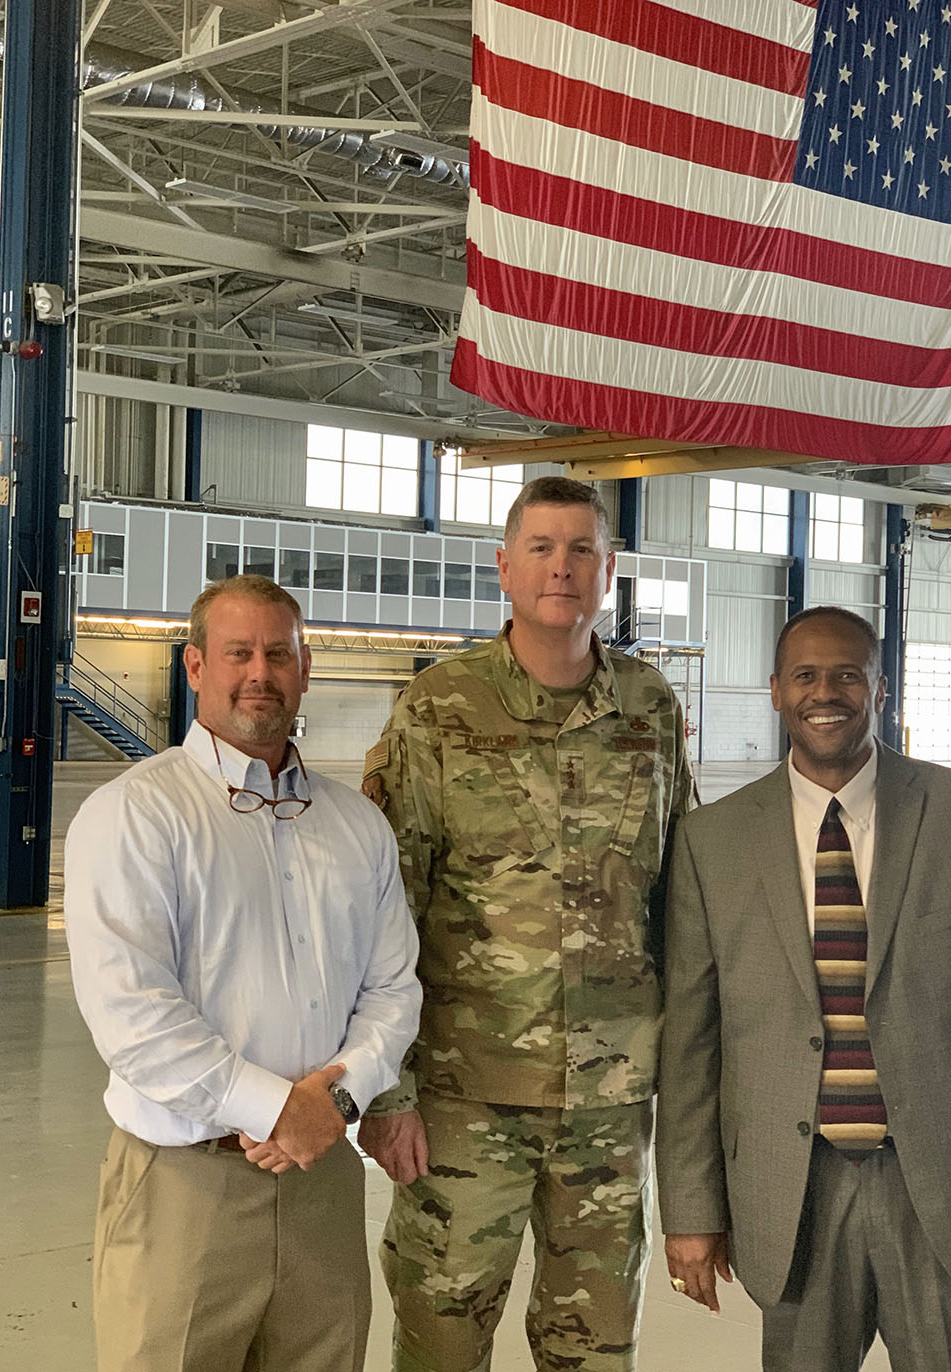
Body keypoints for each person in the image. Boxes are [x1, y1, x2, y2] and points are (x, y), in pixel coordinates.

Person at [656, 605, 951, 1371]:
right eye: (808, 676)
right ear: (776, 690)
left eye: (850, 674)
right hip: (796, 1190)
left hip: (946, 1184)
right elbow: (692, 1041)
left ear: (880, 690)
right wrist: (690, 1208)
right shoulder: (711, 839)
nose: (829, 693)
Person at [359, 476, 696, 1372]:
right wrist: (387, 1096)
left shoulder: (650, 709)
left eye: (582, 549)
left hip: (612, 1104)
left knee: (594, 1350)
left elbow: (684, 897)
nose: (562, 568)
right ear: (504, 568)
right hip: (463, 1100)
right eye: (541, 549)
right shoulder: (439, 708)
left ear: (609, 570)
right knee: (440, 1341)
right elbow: (383, 907)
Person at [65, 574, 422, 1372]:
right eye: (237, 653)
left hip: (324, 1180)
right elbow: (134, 1017)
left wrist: (330, 1100)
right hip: (187, 1182)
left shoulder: (356, 826)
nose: (258, 672)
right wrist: (271, 1107)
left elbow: (394, 990)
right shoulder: (136, 815)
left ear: (305, 668)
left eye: (278, 653)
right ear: (195, 666)